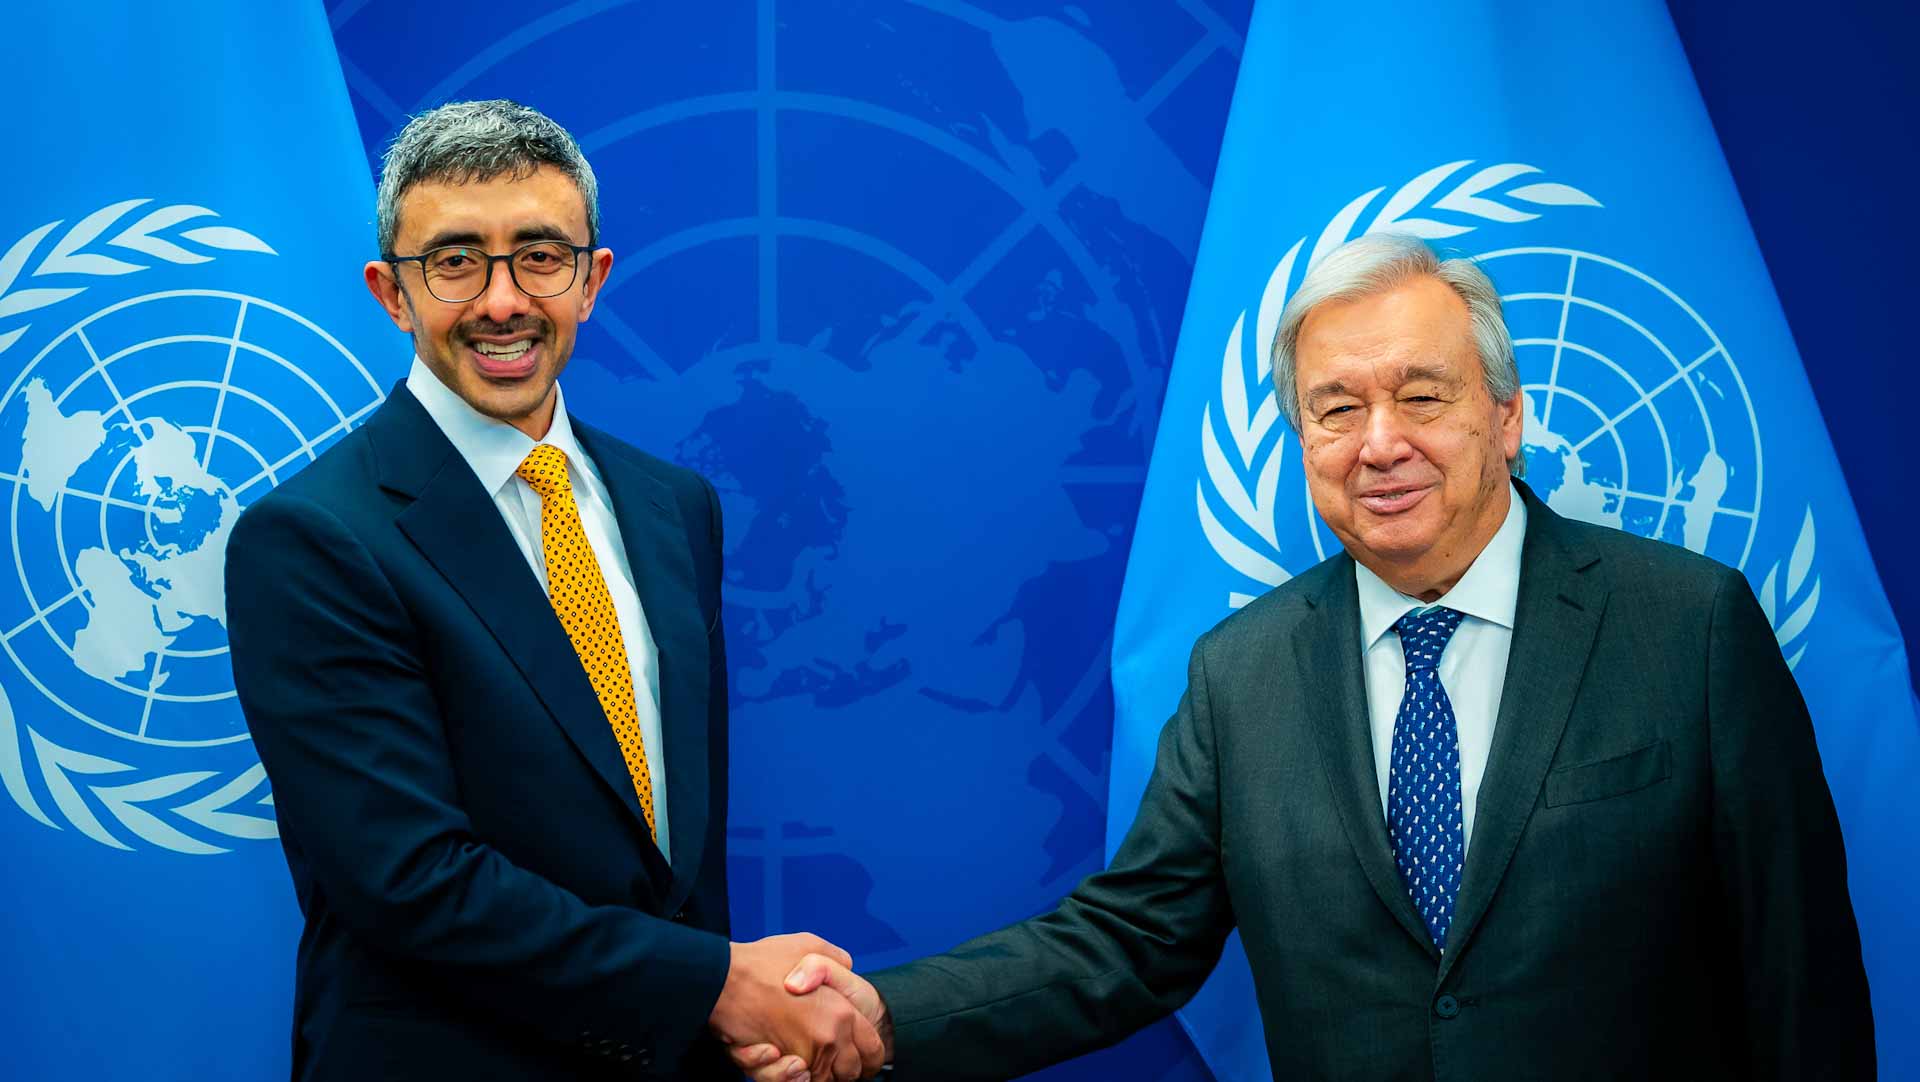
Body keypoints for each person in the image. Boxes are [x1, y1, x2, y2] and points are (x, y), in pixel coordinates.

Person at [730, 233, 1875, 1082]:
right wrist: (878, 1012)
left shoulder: (1688, 625)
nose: (1380, 443)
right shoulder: (1245, 671)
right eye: (1335, 409)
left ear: (1508, 415)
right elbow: (1127, 942)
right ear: (1302, 439)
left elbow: (1800, 979)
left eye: (1422, 395)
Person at [225, 100, 881, 1082]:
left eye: (539, 254)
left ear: (591, 279)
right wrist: (713, 983)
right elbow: (409, 881)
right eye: (454, 261)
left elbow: (670, 862)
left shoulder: (673, 504)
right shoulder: (314, 537)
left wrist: (737, 1018)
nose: (501, 301)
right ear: (391, 293)